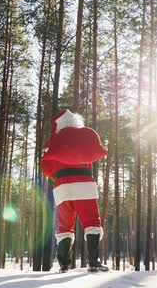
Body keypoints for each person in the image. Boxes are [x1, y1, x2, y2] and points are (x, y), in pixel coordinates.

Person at [41, 109, 109, 273]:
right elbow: (96, 151)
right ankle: (93, 262)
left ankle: (64, 264)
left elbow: (46, 166)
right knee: (91, 222)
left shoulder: (53, 142)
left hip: (61, 188)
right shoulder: (84, 136)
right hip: (84, 185)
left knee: (64, 226)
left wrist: (56, 176)